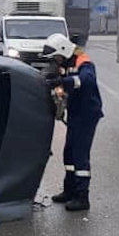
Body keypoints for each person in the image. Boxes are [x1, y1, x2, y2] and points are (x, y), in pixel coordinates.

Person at [42, 33, 103, 211]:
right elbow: (65, 87)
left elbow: (87, 81)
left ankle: (82, 197)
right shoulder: (67, 64)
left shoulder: (83, 62)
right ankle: (69, 190)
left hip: (87, 114)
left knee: (80, 154)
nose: (57, 62)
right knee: (69, 153)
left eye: (57, 58)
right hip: (76, 113)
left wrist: (62, 81)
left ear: (63, 50)